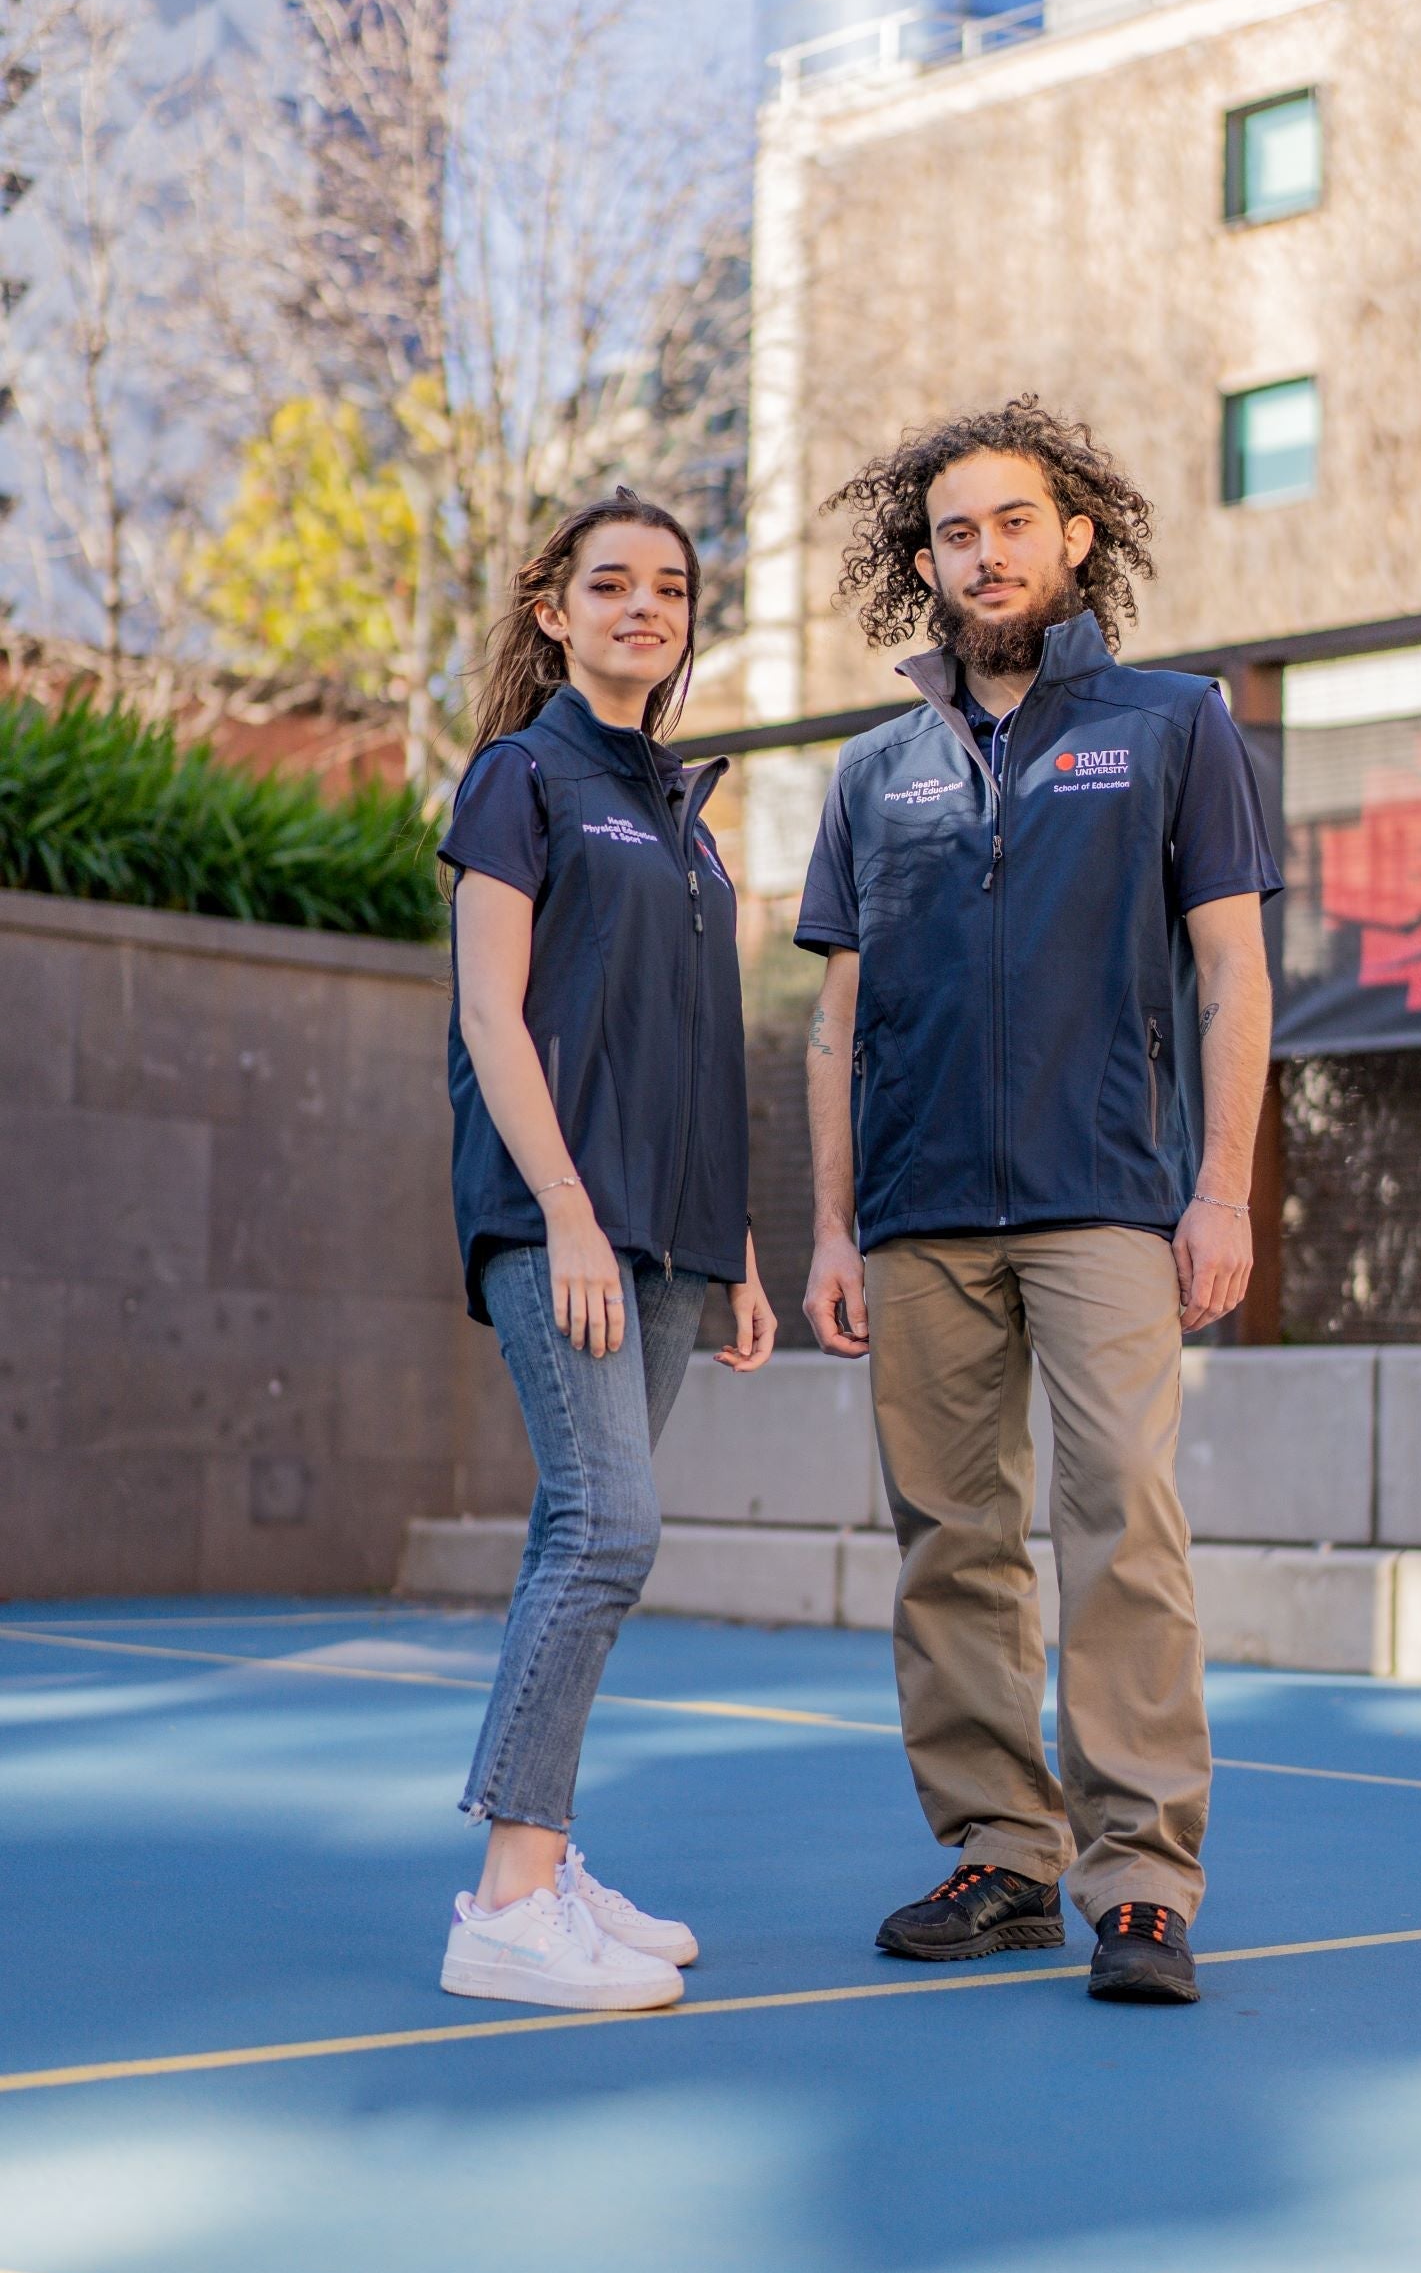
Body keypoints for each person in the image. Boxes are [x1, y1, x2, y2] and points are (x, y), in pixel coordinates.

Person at [797, 397, 1281, 2005]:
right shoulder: (876, 773)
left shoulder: (1172, 725)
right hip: (919, 1210)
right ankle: (1005, 1853)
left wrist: (1220, 1190)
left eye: (1014, 522)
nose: (984, 552)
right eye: (954, 531)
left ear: (1076, 537)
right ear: (920, 558)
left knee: (1122, 1521)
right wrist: (828, 1223)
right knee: (952, 1538)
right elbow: (834, 1020)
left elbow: (1232, 973)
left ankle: (1139, 1878)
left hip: (1106, 1203)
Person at [435, 488, 775, 2014]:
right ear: (555, 612)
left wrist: (742, 1240)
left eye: (672, 587)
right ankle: (509, 1901)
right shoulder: (522, 778)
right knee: (606, 1528)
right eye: (612, 583)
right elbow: (490, 1013)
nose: (646, 604)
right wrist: (565, 1206)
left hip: (678, 1238)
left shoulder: (688, 821)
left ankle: (546, 1853)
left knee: (582, 1533)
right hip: (560, 1223)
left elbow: (695, 1048)